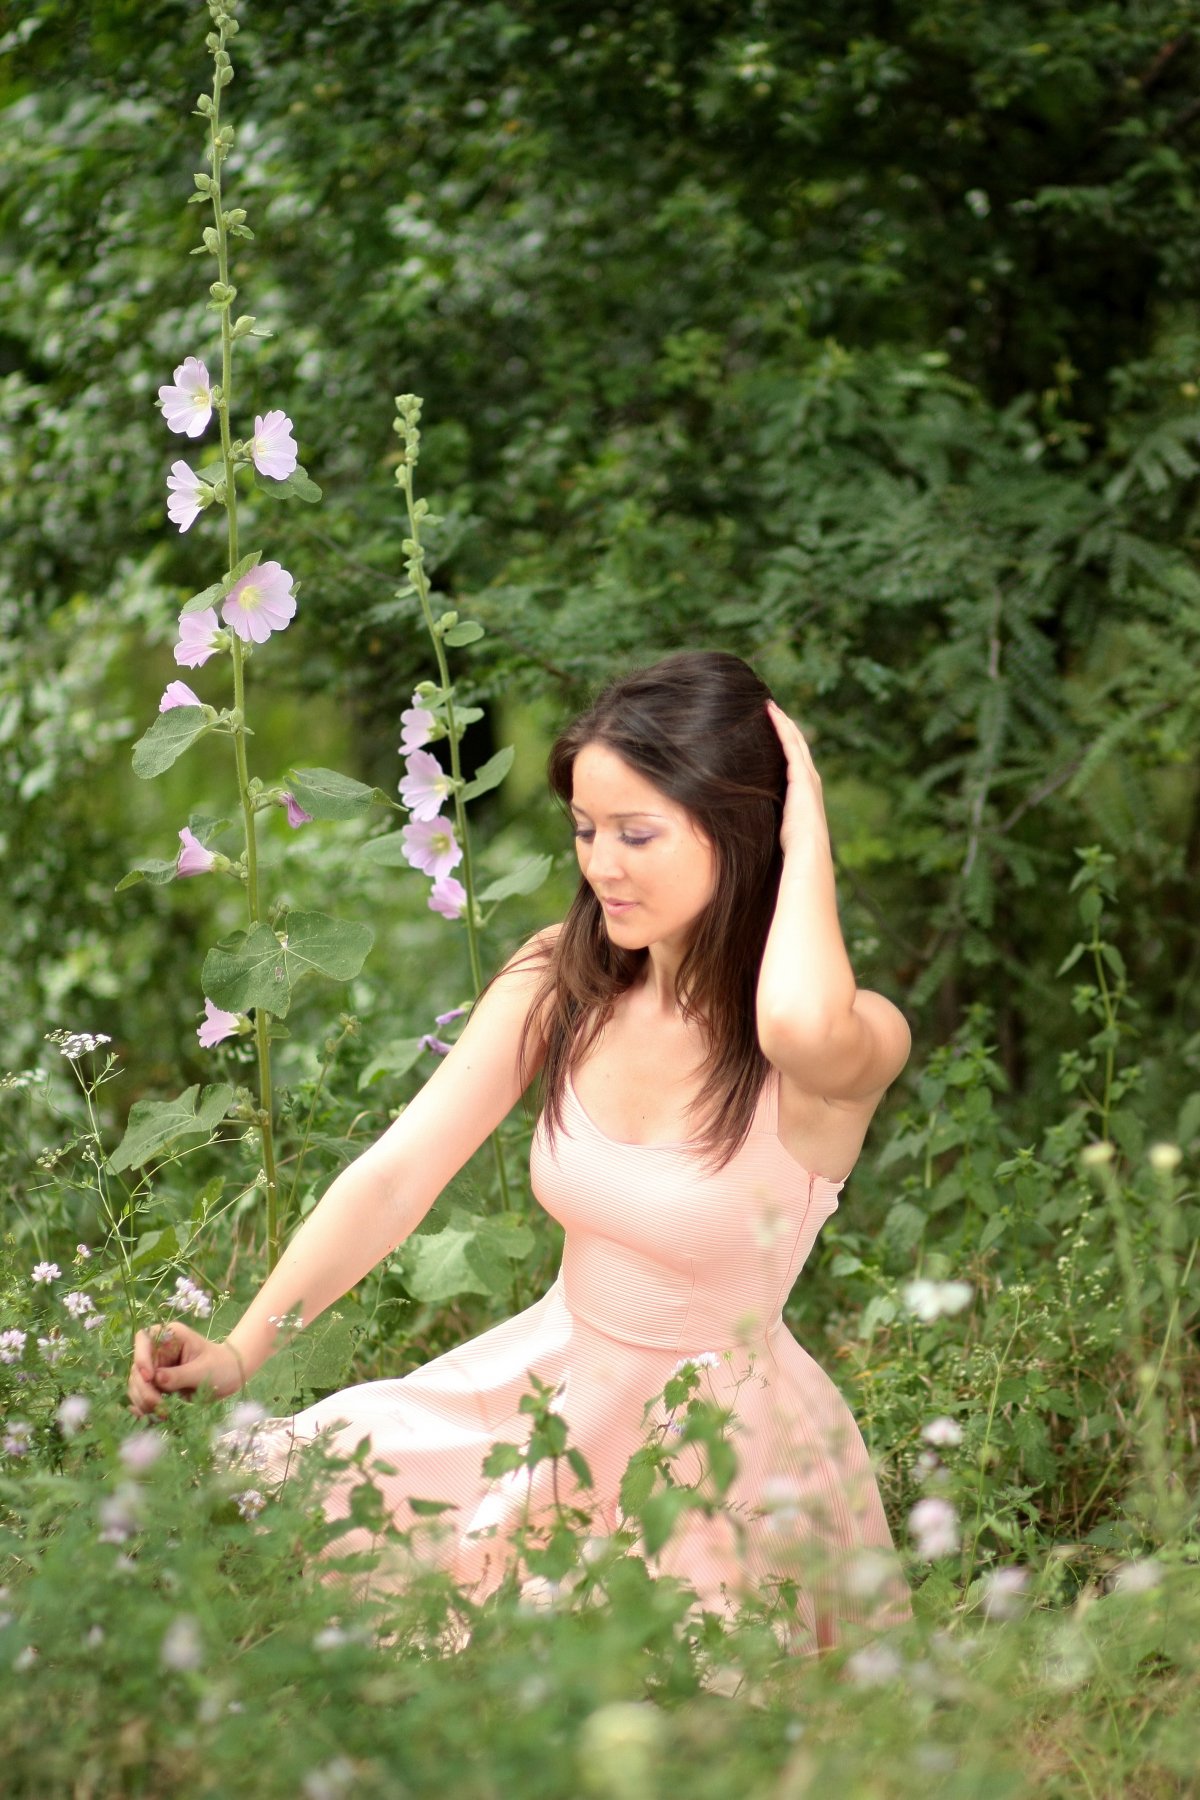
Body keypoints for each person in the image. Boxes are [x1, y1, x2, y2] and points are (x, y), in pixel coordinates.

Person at [128, 650, 913, 1649]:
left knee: (618, 1681)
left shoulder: (839, 1047)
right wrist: (244, 1349)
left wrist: (808, 834)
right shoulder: (564, 977)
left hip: (718, 1449)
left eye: (639, 833)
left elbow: (797, 1021)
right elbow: (396, 1176)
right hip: (546, 1383)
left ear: (746, 830)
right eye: (587, 830)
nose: (601, 865)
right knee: (297, 1501)